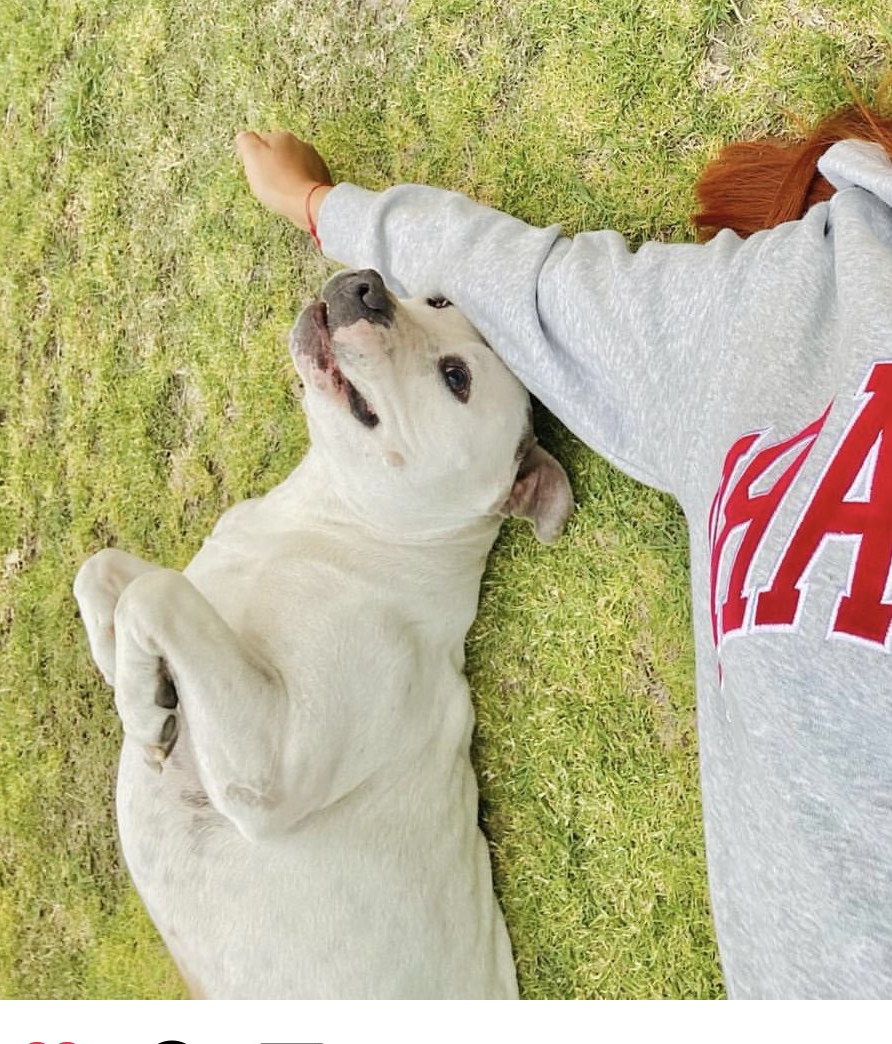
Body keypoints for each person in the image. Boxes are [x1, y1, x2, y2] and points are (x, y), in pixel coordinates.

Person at [235, 103, 892, 999]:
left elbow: (514, 281)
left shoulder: (777, 303)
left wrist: (318, 206)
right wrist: (317, 205)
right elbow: (519, 283)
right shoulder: (790, 297)